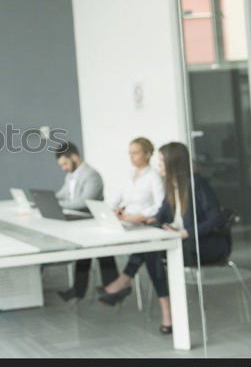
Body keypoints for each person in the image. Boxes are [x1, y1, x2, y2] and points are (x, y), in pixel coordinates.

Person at [99, 142, 230, 334]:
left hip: (206, 244)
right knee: (151, 250)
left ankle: (130, 285)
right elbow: (162, 213)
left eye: (161, 161)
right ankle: (163, 311)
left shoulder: (197, 183)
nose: (159, 165)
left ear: (173, 162)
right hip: (182, 241)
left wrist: (187, 233)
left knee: (151, 252)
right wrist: (144, 219)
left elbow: (216, 219)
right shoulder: (172, 185)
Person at [53, 142, 119, 302]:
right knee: (83, 255)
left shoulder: (92, 176)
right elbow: (62, 194)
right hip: (79, 222)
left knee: (102, 255)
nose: (63, 168)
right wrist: (48, 200)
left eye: (65, 163)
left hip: (93, 221)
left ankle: (112, 290)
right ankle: (80, 291)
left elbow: (83, 202)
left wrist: (58, 205)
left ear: (74, 157)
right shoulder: (71, 175)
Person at [109, 137, 164, 225]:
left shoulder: (154, 176)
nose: (131, 156)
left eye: (135, 153)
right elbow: (116, 198)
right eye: (130, 153)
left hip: (143, 222)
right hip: (125, 219)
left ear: (147, 154)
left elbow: (160, 205)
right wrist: (114, 209)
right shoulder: (129, 174)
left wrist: (141, 215)